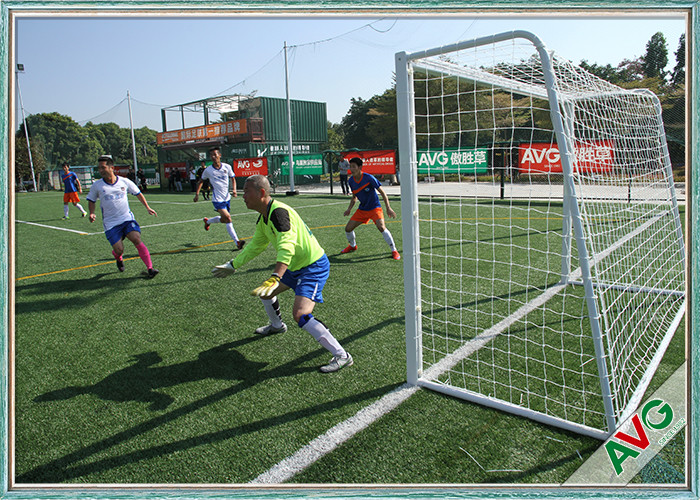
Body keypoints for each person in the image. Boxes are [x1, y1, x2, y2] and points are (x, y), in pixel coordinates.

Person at [212, 175, 353, 373]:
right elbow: (256, 246)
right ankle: (277, 325)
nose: (243, 196)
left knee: (300, 315)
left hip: (312, 267)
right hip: (294, 267)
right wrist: (233, 264)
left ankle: (342, 355)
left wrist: (276, 276)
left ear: (261, 193)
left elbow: (287, 246)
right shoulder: (264, 217)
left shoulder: (278, 213)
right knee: (266, 293)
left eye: (247, 192)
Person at [86, 155, 159, 279]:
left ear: (112, 168)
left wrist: (147, 207)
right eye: (99, 168)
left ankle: (150, 268)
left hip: (126, 219)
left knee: (136, 238)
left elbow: (138, 193)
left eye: (103, 167)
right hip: (110, 223)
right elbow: (91, 200)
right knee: (119, 249)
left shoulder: (124, 181)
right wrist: (92, 213)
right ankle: (118, 257)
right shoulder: (97, 185)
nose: (101, 170)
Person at [341, 157, 400, 260]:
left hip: (374, 208)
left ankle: (394, 250)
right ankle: (353, 246)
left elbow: (383, 193)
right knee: (348, 229)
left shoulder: (369, 178)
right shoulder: (351, 181)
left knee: (381, 227)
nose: (351, 169)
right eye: (350, 167)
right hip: (362, 210)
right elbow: (354, 197)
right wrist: (349, 209)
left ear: (360, 167)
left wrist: (388, 208)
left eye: (354, 167)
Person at [194, 147, 244, 250]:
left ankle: (208, 222)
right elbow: (201, 181)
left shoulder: (227, 167)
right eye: (211, 155)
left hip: (227, 198)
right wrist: (197, 194)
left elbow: (233, 179)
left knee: (224, 219)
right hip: (217, 199)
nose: (213, 157)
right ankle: (237, 242)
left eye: (215, 154)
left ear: (219, 155)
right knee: (228, 218)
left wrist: (234, 190)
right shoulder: (208, 170)